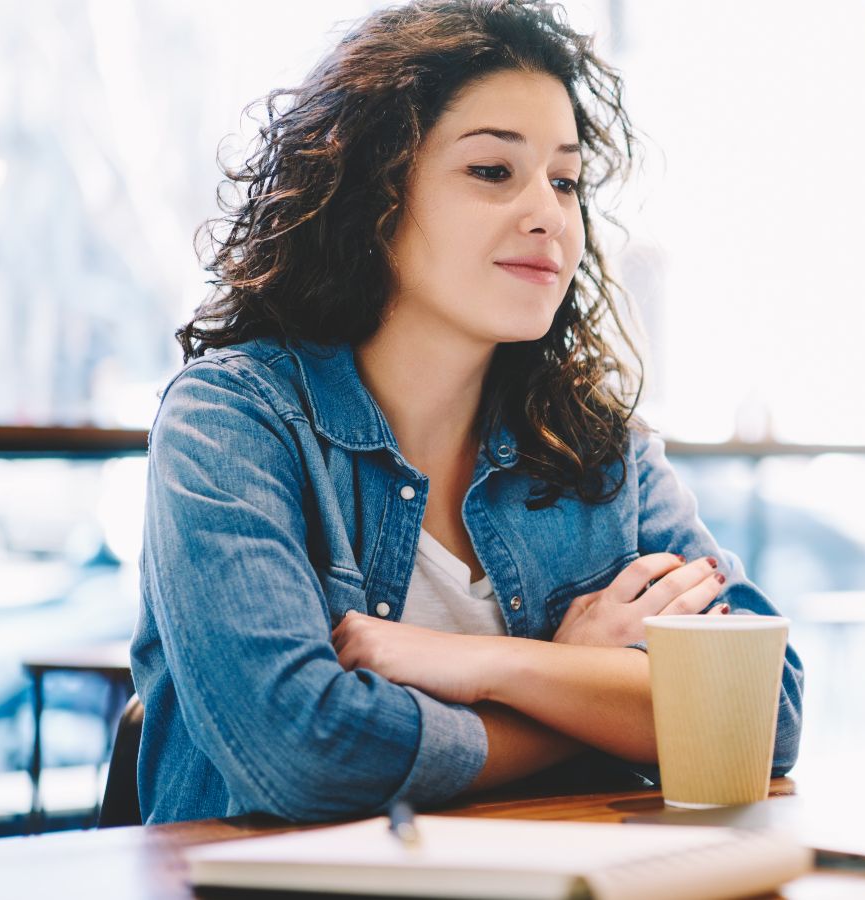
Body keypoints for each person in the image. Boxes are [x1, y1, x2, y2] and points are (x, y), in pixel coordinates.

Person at [132, 0, 803, 825]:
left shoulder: (597, 447)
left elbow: (765, 711)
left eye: (565, 181)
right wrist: (581, 694)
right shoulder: (233, 420)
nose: (549, 215)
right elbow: (305, 752)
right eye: (493, 172)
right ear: (371, 195)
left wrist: (487, 664)